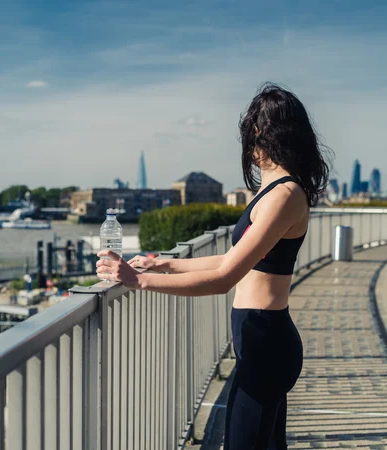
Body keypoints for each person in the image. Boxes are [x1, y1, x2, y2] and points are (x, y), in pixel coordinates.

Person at [96, 83, 330, 449]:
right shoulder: (274, 191)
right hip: (261, 343)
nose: (250, 146)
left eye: (254, 132)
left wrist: (138, 281)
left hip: (267, 346)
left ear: (265, 134)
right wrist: (166, 264)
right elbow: (233, 259)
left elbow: (224, 278)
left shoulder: (285, 194)